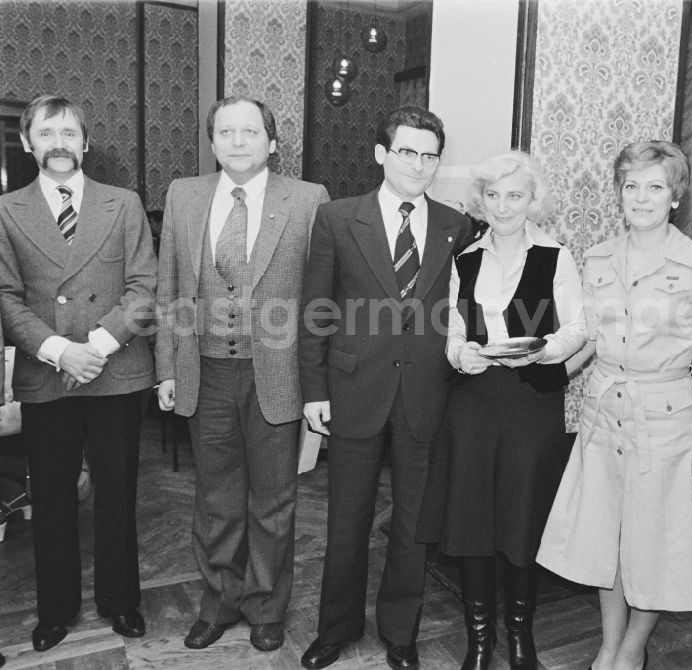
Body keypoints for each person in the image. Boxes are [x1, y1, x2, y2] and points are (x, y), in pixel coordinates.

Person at [297, 105, 472, 670]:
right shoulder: (338, 218)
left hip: (427, 392)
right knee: (346, 519)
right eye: (406, 151)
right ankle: (335, 628)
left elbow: (468, 306)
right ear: (381, 154)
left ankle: (401, 631)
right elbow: (316, 310)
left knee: (413, 524)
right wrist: (314, 390)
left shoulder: (457, 225)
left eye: (429, 155)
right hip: (353, 389)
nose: (418, 164)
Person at [155, 95, 330, 652]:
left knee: (274, 501)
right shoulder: (183, 195)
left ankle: (266, 606)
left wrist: (317, 383)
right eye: (225, 132)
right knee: (215, 498)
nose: (237, 141)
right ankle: (218, 601)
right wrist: (167, 369)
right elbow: (169, 288)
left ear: (272, 141)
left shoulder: (307, 200)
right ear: (212, 142)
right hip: (203, 371)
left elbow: (320, 299)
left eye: (249, 132)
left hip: (275, 375)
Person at [537, 141, 692, 669]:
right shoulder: (597, 257)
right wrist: (536, 378)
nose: (642, 197)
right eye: (632, 185)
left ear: (675, 196)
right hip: (602, 413)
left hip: (665, 418)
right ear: (619, 193)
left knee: (655, 543)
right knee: (606, 540)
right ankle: (610, 645)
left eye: (656, 186)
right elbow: (590, 340)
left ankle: (633, 648)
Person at [415, 150, 586, 670]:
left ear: (533, 200)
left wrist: (543, 349)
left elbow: (578, 330)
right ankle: (479, 639)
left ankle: (520, 638)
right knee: (471, 526)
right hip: (474, 403)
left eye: (516, 195)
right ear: (481, 200)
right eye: (494, 195)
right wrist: (459, 352)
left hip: (531, 403)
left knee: (520, 522)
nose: (504, 206)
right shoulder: (465, 258)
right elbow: (455, 329)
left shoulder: (557, 256)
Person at [0, 94, 157, 652]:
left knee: (117, 494)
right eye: (46, 134)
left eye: (69, 133)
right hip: (46, 375)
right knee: (52, 497)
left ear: (86, 142)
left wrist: (97, 343)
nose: (59, 144)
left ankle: (121, 602)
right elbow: (6, 297)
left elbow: (145, 286)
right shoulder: (7, 209)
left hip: (115, 369)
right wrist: (58, 351)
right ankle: (55, 610)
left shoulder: (124, 203)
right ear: (27, 144)